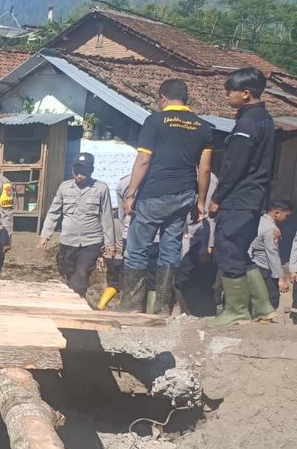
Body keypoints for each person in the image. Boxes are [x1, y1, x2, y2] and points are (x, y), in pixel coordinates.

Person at [118, 79, 214, 315]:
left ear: (162, 97)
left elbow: (143, 159)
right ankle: (163, 307)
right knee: (171, 248)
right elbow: (205, 169)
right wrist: (200, 201)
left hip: (154, 194)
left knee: (138, 247)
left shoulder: (155, 121)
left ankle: (133, 305)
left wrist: (130, 194)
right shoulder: (204, 127)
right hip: (184, 195)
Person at [210, 67, 278, 326]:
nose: (226, 97)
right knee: (238, 251)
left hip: (239, 196)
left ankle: (236, 310)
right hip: (254, 196)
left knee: (228, 248)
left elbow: (235, 164)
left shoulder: (247, 123)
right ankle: (262, 307)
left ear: (246, 93)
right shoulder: (264, 119)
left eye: (230, 92)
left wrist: (218, 195)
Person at [38, 153, 117, 298]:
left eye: (84, 172)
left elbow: (106, 217)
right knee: (68, 272)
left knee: (82, 271)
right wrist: (45, 235)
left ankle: (78, 297)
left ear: (91, 170)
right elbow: (53, 212)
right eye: (76, 171)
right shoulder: (64, 187)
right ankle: (79, 295)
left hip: (91, 241)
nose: (79, 175)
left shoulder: (100, 188)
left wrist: (110, 243)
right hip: (68, 241)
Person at [248, 200, 292, 310]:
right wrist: (280, 278)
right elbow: (273, 255)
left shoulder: (260, 220)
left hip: (253, 263)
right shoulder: (271, 229)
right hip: (264, 267)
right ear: (277, 213)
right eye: (286, 216)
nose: (287, 219)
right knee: (273, 299)